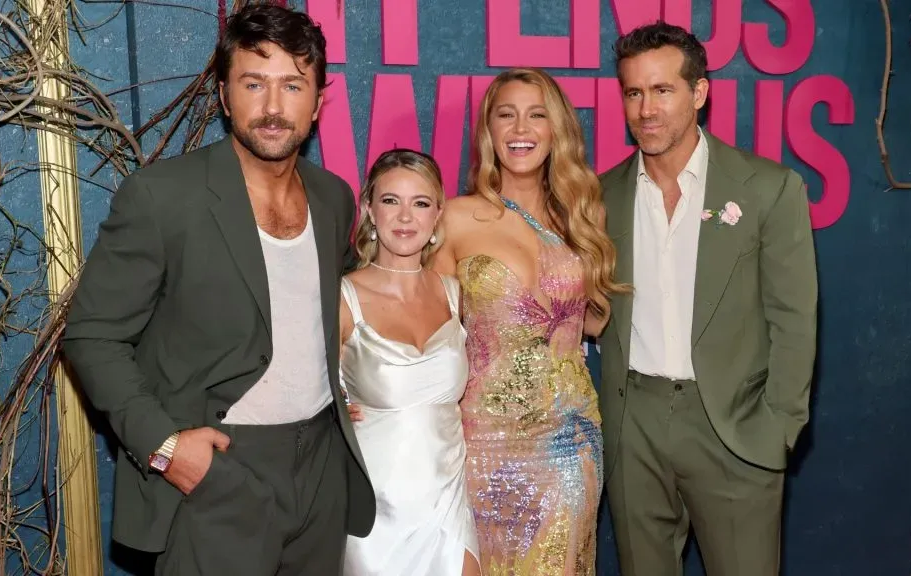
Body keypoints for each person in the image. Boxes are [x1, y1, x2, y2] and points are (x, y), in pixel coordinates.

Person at [61, 4, 375, 575]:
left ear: (319, 101)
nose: (274, 107)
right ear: (226, 97)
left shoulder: (334, 199)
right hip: (221, 470)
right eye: (254, 83)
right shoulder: (162, 196)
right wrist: (165, 445)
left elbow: (341, 306)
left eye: (293, 85)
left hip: (323, 468)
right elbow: (90, 336)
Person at [597, 21, 818, 576]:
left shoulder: (769, 188)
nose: (646, 109)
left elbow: (794, 320)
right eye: (633, 92)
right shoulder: (600, 196)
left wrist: (777, 430)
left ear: (699, 93)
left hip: (733, 427)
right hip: (634, 426)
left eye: (663, 90)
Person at [432, 67, 623, 574]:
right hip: (481, 444)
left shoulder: (582, 218)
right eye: (506, 115)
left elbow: (596, 324)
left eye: (537, 115)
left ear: (555, 129)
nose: (521, 129)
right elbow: (424, 330)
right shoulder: (454, 218)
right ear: (488, 132)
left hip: (568, 440)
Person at [339, 149, 480, 576]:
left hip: (449, 506)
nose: (405, 217)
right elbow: (298, 388)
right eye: (390, 201)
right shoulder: (343, 298)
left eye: (420, 203)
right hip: (376, 515)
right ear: (369, 209)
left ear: (438, 214)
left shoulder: (455, 293)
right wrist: (329, 415)